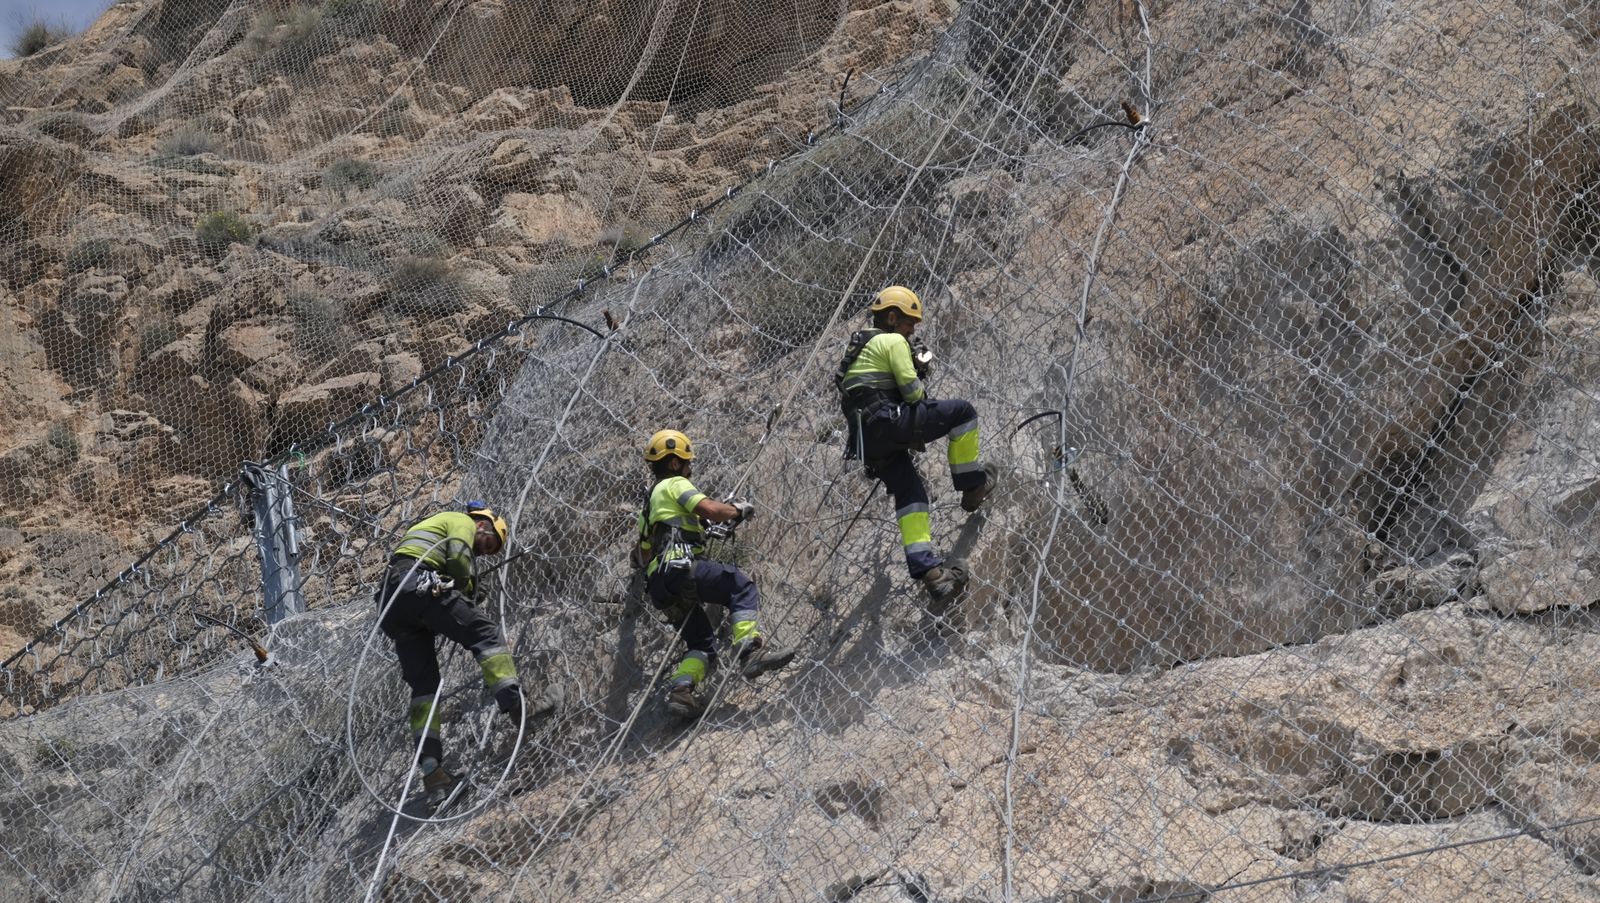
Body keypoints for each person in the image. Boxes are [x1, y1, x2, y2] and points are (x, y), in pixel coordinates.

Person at [836, 286, 998, 605]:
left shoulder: (858, 349)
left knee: (911, 494)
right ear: (892, 318)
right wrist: (919, 370)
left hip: (866, 442)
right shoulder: (893, 341)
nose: (912, 330)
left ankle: (933, 575)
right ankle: (972, 485)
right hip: (887, 420)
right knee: (963, 413)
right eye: (910, 323)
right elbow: (913, 394)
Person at [375, 503, 542, 800]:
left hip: (391, 604)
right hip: (417, 583)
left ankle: (433, 774)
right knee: (484, 633)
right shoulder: (461, 521)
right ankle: (520, 708)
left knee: (425, 688)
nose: (483, 552)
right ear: (482, 525)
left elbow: (452, 564)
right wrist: (470, 590)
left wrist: (464, 590)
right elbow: (459, 559)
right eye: (487, 544)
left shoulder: (432, 529)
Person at [632, 429, 795, 718]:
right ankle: (750, 652)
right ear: (674, 463)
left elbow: (642, 556)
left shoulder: (647, 508)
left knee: (701, 645)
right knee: (740, 586)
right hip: (680, 567)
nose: (690, 468)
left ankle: (681, 690)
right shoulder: (674, 484)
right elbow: (709, 508)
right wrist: (736, 510)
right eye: (687, 462)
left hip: (659, 586)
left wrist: (698, 528)